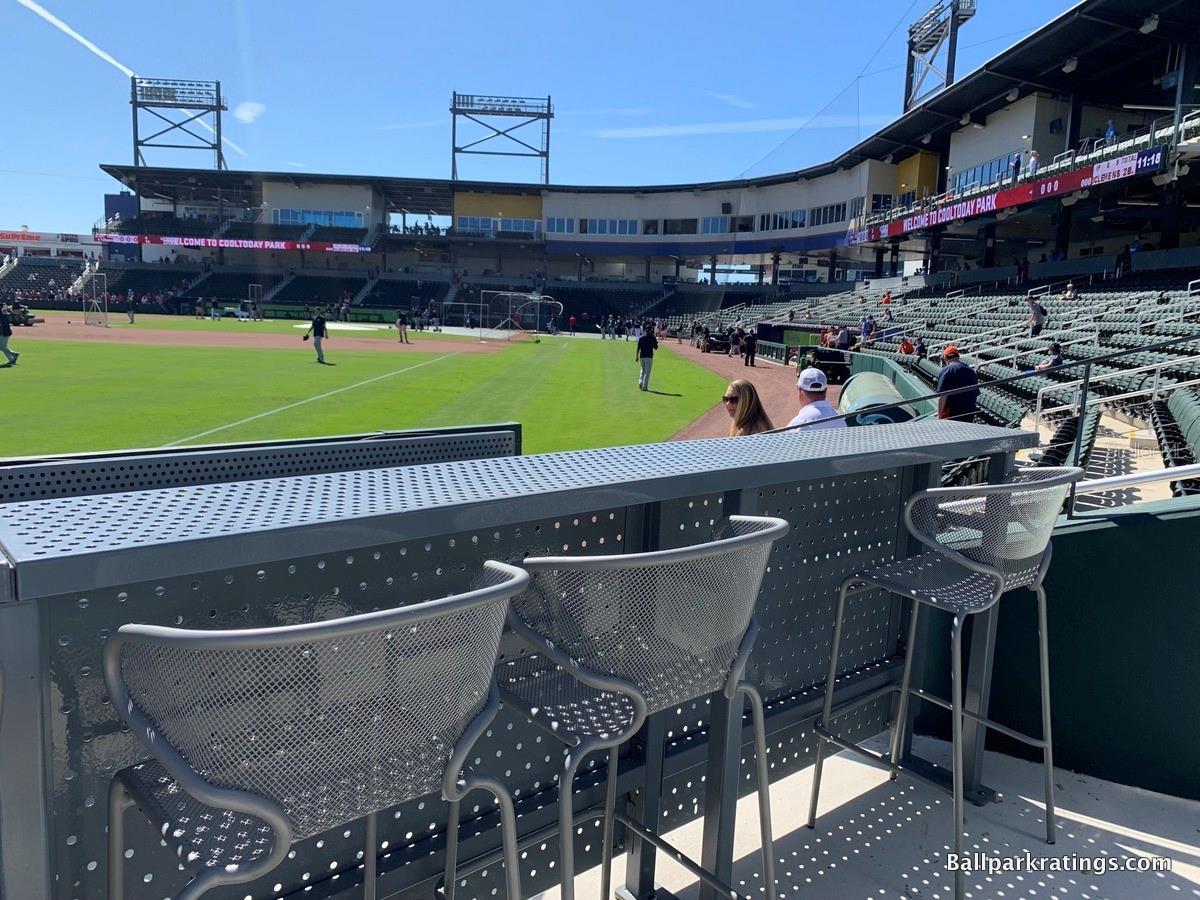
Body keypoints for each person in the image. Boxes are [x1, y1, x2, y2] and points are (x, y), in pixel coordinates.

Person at [935, 346, 979, 422]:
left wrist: (939, 415)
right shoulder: (971, 370)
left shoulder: (947, 370)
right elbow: (975, 393)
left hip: (953, 412)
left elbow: (942, 396)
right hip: (969, 411)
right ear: (958, 357)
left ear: (945, 358)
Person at [636, 324, 658, 391]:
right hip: (649, 356)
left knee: (642, 369)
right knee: (647, 372)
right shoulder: (652, 338)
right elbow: (656, 348)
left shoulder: (641, 337)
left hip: (642, 356)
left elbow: (638, 348)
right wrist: (656, 342)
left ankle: (640, 382)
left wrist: (636, 356)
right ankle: (644, 386)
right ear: (651, 330)